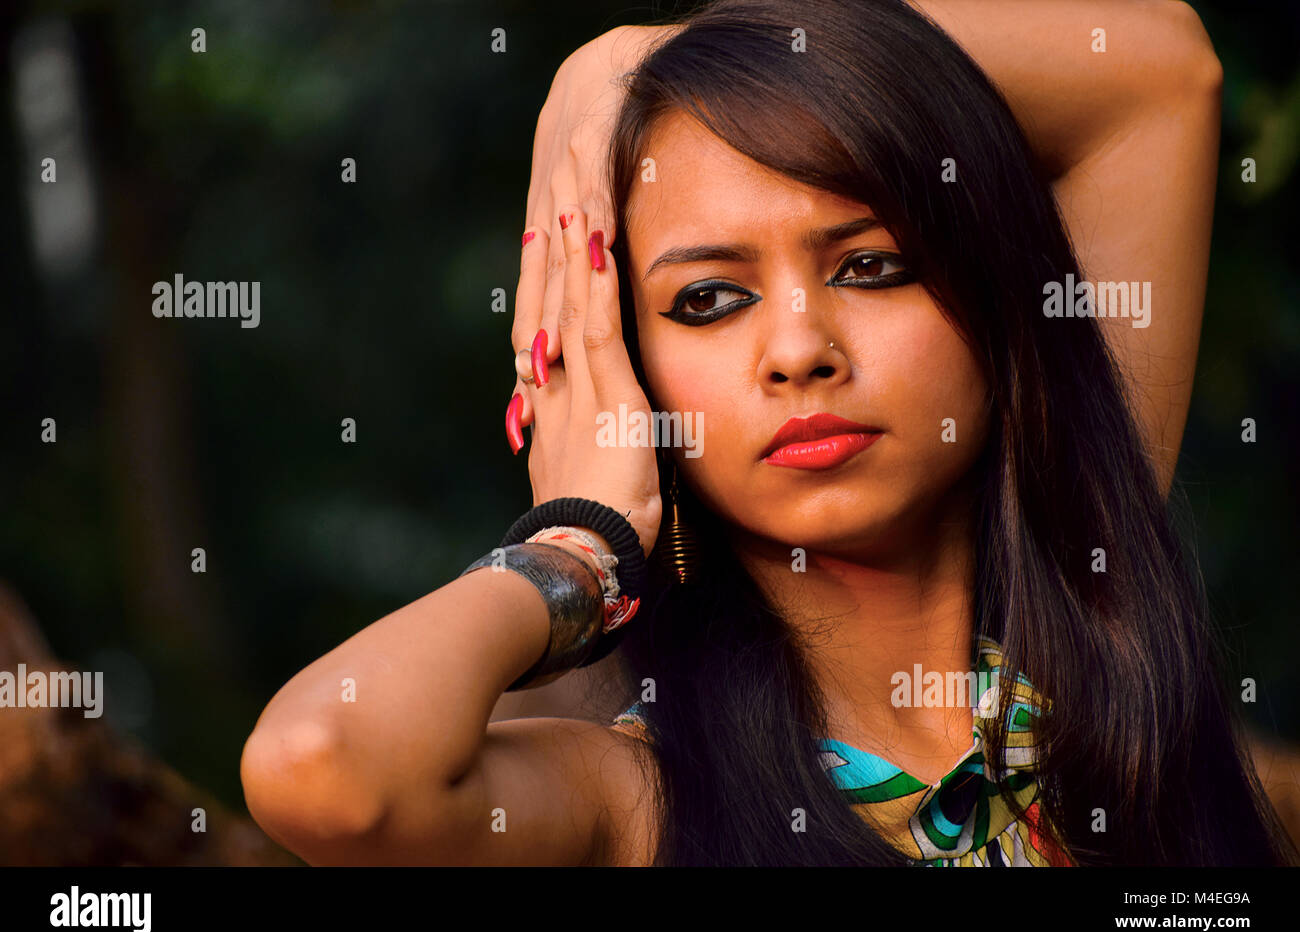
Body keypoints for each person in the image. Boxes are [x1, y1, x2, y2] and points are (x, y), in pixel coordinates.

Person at [240, 0, 1299, 866]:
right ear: (626, 374)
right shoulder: (640, 804)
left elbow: (1158, 70)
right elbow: (325, 766)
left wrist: (640, 58)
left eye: (869, 266)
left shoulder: (1094, 579)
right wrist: (578, 545)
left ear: (992, 308)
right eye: (707, 299)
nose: (799, 348)